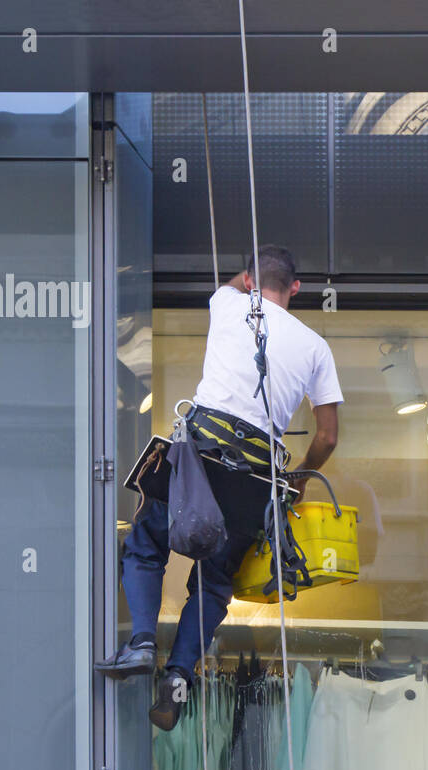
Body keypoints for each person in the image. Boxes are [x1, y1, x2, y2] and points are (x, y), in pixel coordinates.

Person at [96, 244, 343, 730]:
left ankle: (143, 641)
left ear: (251, 279)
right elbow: (328, 436)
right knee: (213, 582)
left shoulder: (230, 303)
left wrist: (247, 277)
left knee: (147, 543)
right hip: (256, 474)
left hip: (202, 453)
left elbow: (237, 284)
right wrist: (296, 480)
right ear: (296, 288)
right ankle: (179, 676)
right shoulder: (316, 346)